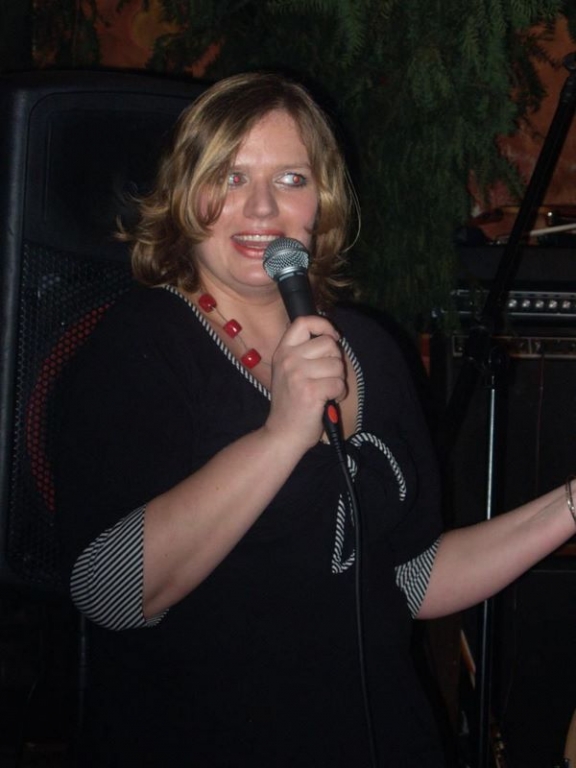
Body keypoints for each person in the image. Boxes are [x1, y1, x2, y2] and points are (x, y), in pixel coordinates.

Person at [55, 72, 576, 767]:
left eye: (291, 178)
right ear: (186, 196)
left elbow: (411, 579)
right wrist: (282, 435)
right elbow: (109, 591)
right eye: (231, 177)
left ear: (321, 204)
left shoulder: (371, 350)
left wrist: (570, 506)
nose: (262, 206)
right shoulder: (141, 344)